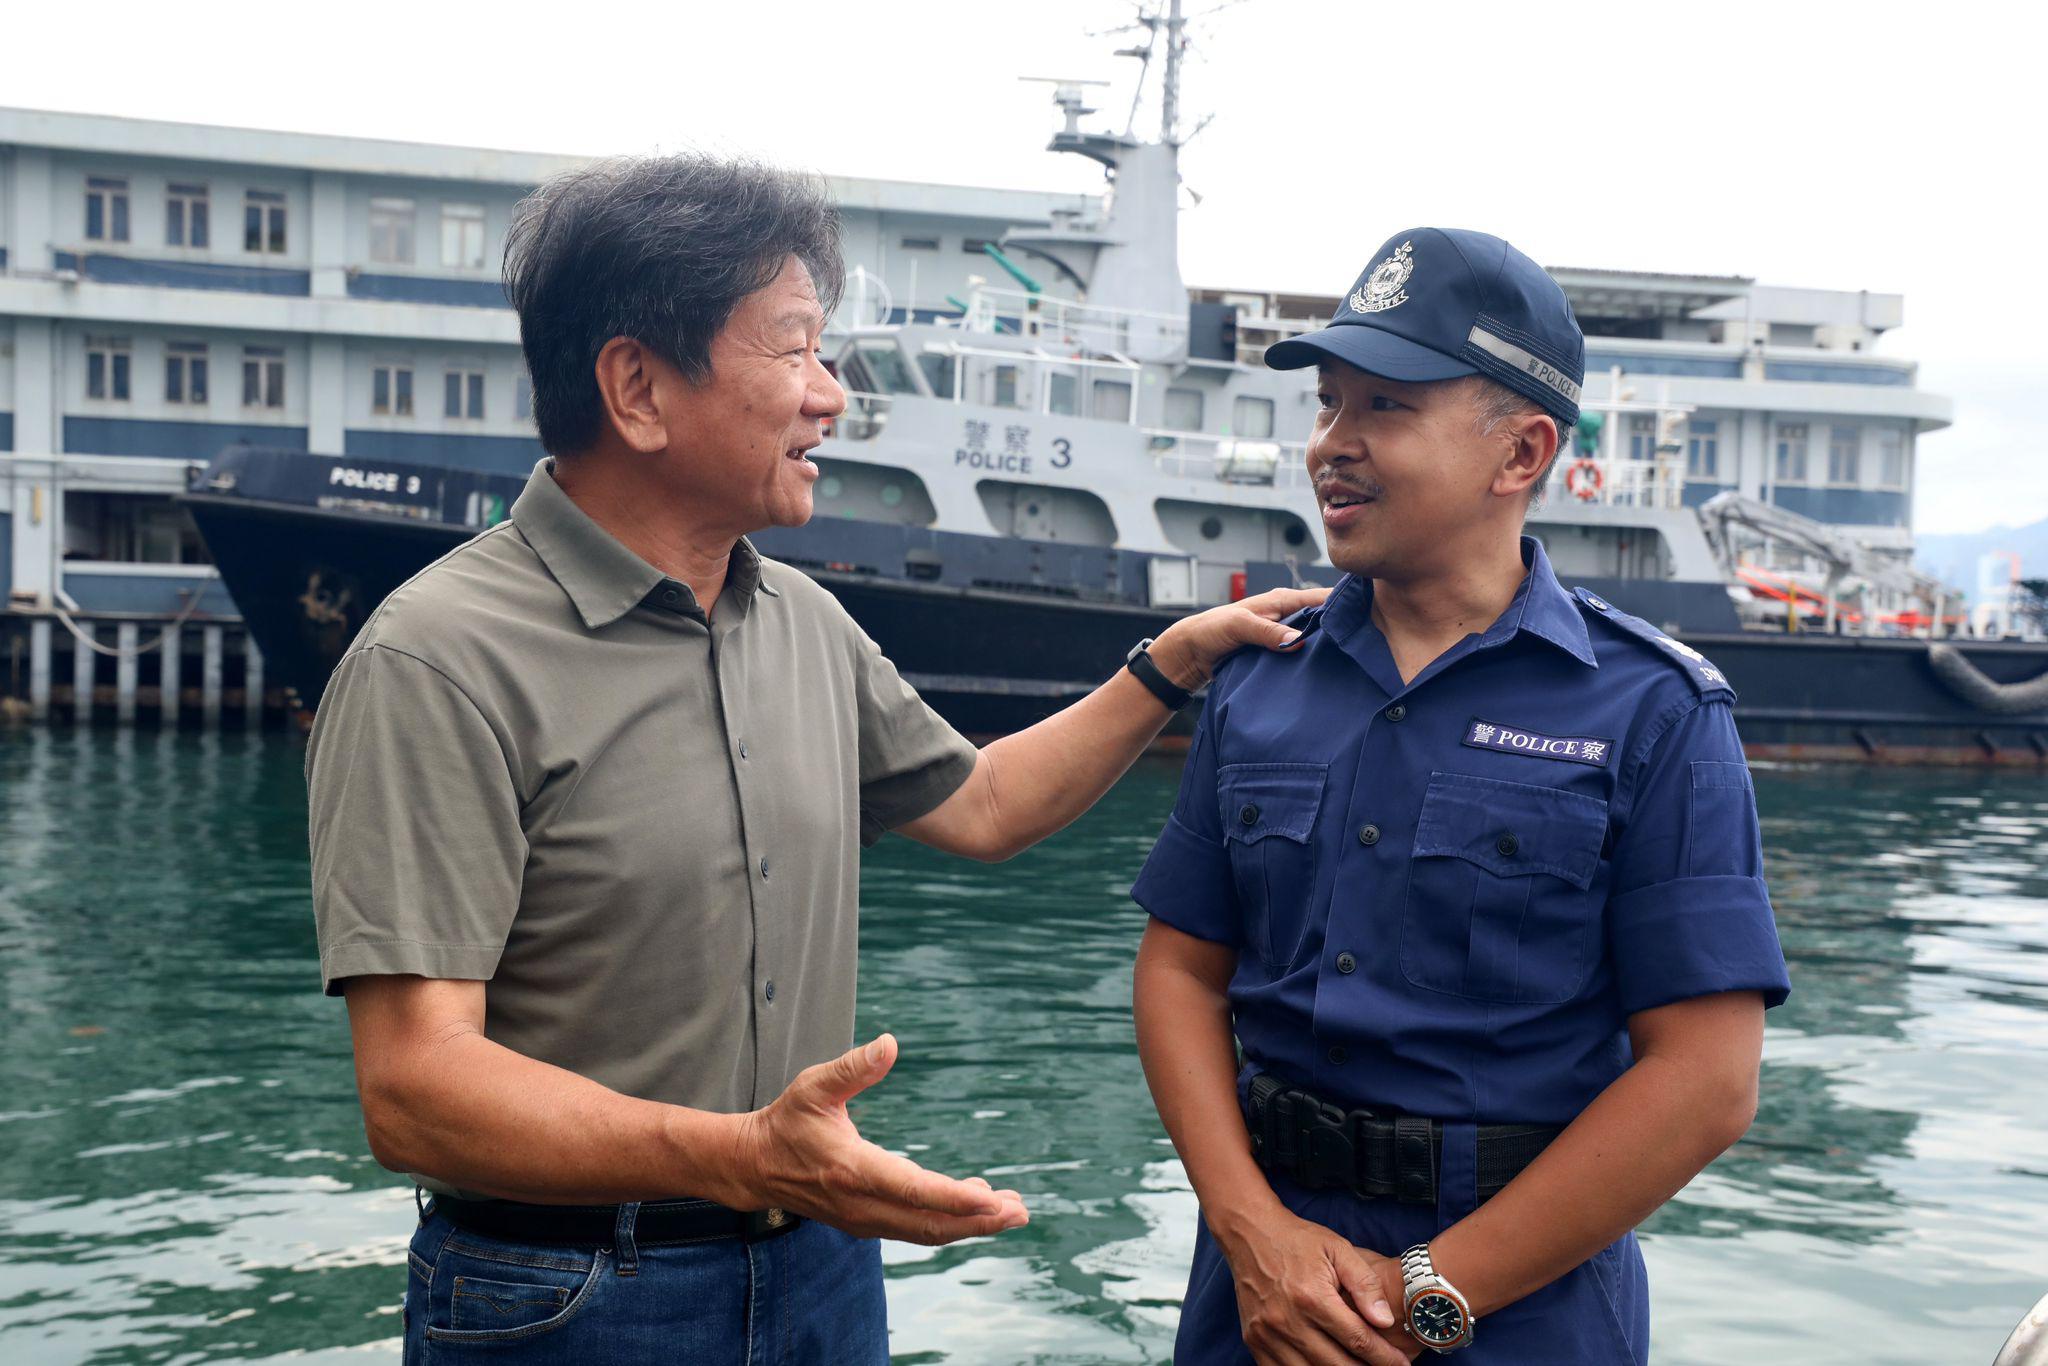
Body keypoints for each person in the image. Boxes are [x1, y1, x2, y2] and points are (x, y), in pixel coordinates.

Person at [305, 153, 1324, 1363]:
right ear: (636, 387)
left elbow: (985, 803)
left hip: (819, 1269)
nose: (830, 396)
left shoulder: (799, 616)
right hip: (567, 1295)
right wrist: (740, 1154)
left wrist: (1169, 665)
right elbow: (414, 1086)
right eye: (793, 350)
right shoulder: (437, 659)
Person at [1130, 227, 1791, 1364]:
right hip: (1258, 1292)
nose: (1331, 445)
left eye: (1383, 407)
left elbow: (1703, 1080)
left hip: (1515, 1308)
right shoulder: (1258, 679)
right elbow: (1180, 967)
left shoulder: (1655, 712)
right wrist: (1253, 1237)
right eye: (1326, 404)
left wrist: (1426, 1292)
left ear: (1519, 453)